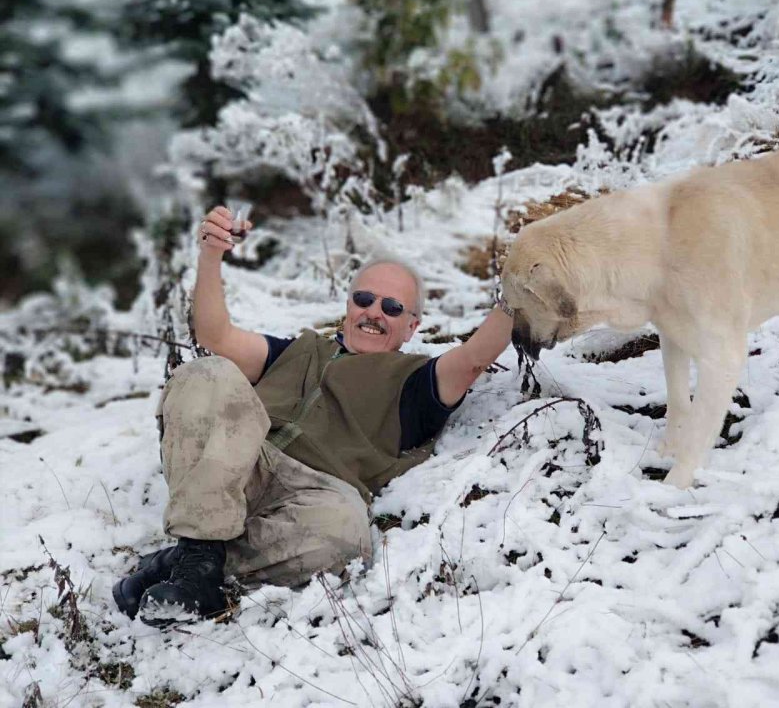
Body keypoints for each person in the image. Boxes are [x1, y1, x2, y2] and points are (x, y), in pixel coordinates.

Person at [113, 204, 513, 625]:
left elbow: (472, 358)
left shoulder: (415, 381)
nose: (374, 312)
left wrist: (517, 290)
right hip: (242, 462)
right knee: (207, 372)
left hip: (318, 493)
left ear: (412, 327)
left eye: (392, 307)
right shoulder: (297, 351)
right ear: (348, 305)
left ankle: (192, 564)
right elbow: (216, 336)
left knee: (345, 534)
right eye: (364, 299)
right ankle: (197, 561)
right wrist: (212, 256)